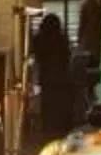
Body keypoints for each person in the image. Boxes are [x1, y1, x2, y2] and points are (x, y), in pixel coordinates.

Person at [32, 11, 77, 143]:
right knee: (61, 108)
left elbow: (37, 57)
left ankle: (49, 131)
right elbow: (68, 57)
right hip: (62, 80)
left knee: (49, 108)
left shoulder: (40, 40)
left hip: (47, 80)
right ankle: (60, 131)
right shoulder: (62, 40)